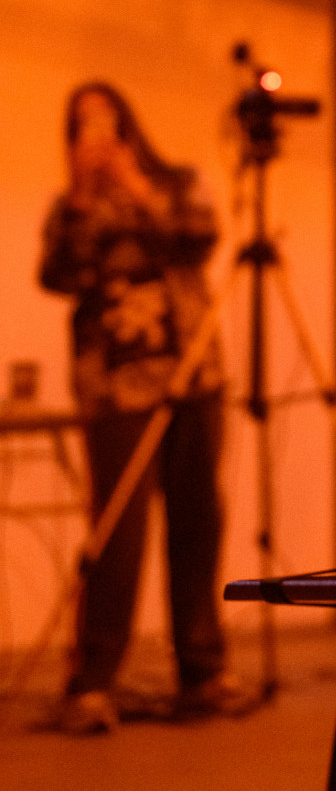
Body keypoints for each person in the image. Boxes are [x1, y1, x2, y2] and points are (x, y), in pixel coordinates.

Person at [39, 83, 248, 731]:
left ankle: (202, 671)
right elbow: (59, 276)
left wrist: (133, 185)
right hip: (114, 387)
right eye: (81, 126)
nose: (95, 136)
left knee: (197, 524)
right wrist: (80, 196)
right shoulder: (69, 208)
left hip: (189, 375)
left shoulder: (175, 182)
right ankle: (93, 681)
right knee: (118, 531)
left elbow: (200, 237)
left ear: (128, 126)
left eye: (104, 122)